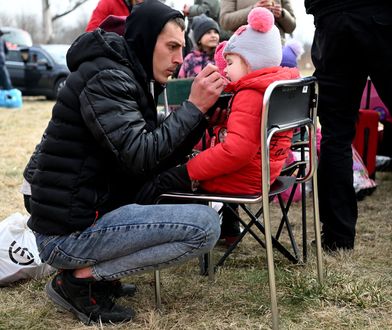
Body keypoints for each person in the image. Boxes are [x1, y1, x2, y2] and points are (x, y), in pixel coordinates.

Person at [24, 0, 225, 324]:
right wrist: (192, 108)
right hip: (66, 236)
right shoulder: (108, 77)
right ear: (146, 40)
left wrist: (199, 120)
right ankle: (77, 280)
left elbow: (152, 155)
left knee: (196, 215)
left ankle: (95, 275)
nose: (179, 58)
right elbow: (141, 156)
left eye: (182, 48)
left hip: (84, 217)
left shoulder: (126, 73)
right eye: (172, 46)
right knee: (204, 227)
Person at [135, 8, 299, 206]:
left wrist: (189, 169)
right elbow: (248, 139)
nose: (225, 69)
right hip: (263, 174)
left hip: (241, 178)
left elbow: (235, 152)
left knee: (164, 181)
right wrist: (221, 127)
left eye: (229, 62)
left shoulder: (250, 94)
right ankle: (230, 234)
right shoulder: (274, 88)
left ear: (250, 62)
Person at [305, 1, 392, 251]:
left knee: (336, 135)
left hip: (331, 21)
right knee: (335, 135)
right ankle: (336, 236)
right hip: (376, 15)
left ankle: (337, 237)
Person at [220, 0, 296, 44]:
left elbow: (291, 27)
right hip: (244, 48)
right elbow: (225, 21)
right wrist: (252, 10)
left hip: (276, 47)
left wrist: (282, 14)